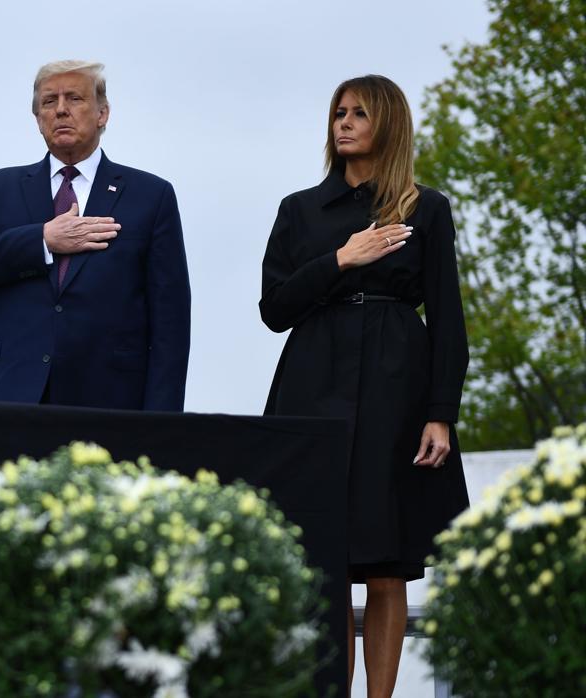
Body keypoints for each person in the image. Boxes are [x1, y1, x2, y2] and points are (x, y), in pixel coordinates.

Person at [259, 75, 469, 696]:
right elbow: (273, 309)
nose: (343, 123)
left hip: (396, 386)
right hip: (312, 379)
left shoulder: (426, 207)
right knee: (324, 561)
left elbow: (448, 317)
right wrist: (341, 259)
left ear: (389, 124)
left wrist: (441, 412)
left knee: (386, 567)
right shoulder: (299, 209)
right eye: (338, 113)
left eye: (359, 114)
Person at [0, 60, 190, 411]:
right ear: (38, 119)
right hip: (10, 397)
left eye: (74, 98)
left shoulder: (150, 195)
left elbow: (171, 323)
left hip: (111, 400)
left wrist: (162, 422)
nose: (60, 110)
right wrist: (41, 240)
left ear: (103, 114)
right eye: (48, 102)